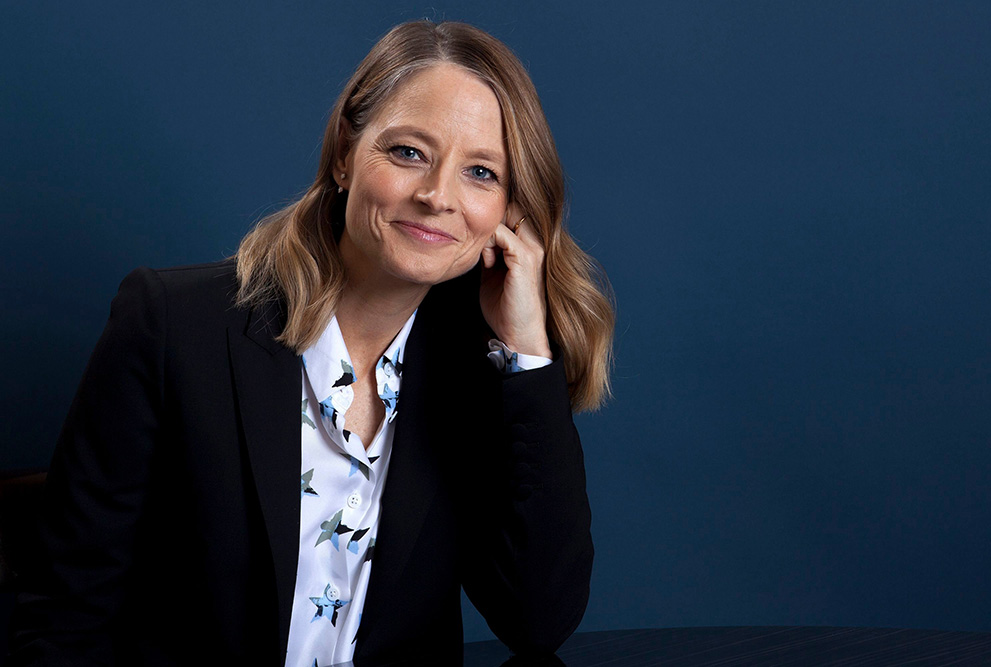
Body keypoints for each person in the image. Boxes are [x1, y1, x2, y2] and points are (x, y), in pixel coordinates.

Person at [9, 20, 614, 666]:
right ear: (344, 156)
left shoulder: (473, 378)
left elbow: (539, 618)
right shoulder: (171, 327)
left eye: (481, 173)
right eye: (409, 151)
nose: (438, 196)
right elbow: (63, 622)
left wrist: (525, 350)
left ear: (508, 212)